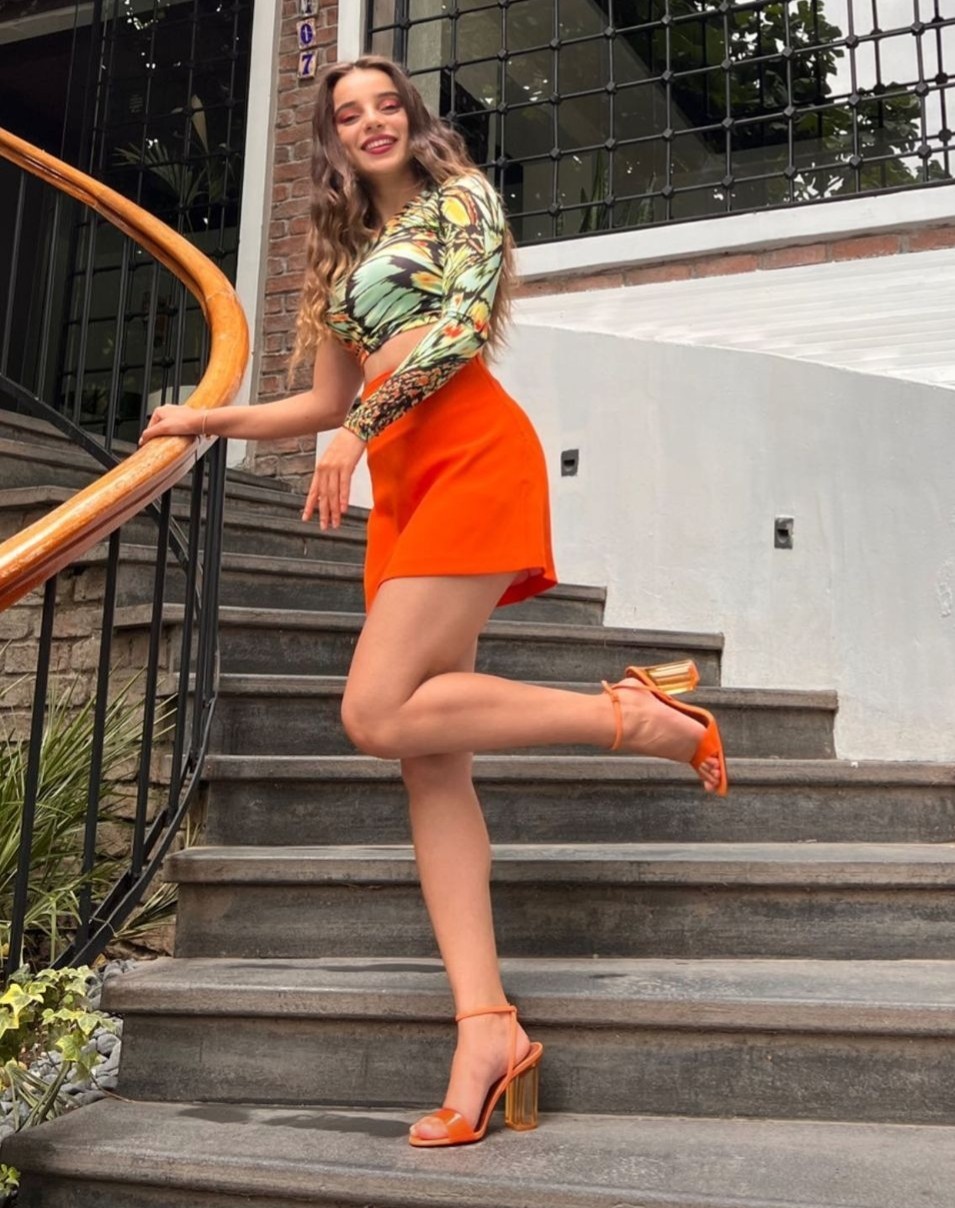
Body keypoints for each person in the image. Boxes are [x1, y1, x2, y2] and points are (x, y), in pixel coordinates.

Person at [141, 54, 727, 1149]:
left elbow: (458, 329)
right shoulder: (337, 252)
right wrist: (204, 422)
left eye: (386, 105)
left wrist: (359, 431)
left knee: (375, 711)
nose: (370, 122)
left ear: (413, 119)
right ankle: (486, 1029)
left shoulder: (464, 201)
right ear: (331, 138)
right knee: (426, 755)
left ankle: (632, 715)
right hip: (403, 497)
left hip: (472, 457)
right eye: (347, 113)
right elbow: (325, 399)